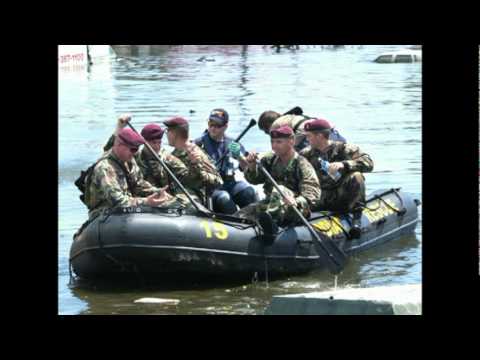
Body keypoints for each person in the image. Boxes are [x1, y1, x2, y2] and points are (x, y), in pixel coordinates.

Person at [236, 125, 320, 236]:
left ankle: (272, 225)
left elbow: (312, 194)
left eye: (279, 142)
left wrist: (297, 201)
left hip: (295, 207)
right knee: (242, 214)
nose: (274, 146)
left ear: (291, 141)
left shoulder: (301, 164)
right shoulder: (270, 159)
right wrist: (251, 166)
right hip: (273, 203)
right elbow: (255, 180)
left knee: (280, 189)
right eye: (272, 142)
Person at [300, 118, 374, 238]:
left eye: (309, 136)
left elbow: (369, 164)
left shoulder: (344, 149)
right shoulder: (306, 154)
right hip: (319, 197)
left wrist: (345, 164)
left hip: (341, 196)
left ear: (319, 136)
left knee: (356, 176)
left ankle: (356, 220)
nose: (307, 139)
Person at [84, 128, 176, 219]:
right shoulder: (105, 168)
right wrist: (146, 202)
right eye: (132, 149)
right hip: (104, 214)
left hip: (126, 210)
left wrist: (157, 192)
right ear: (119, 145)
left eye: (136, 149)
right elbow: (118, 202)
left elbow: (138, 184)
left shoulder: (129, 161)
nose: (135, 153)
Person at [103, 115, 189, 196]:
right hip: (141, 200)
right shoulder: (135, 156)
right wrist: (119, 127)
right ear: (144, 142)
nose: (156, 146)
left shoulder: (168, 159)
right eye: (153, 143)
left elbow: (187, 177)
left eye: (159, 142)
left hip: (163, 199)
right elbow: (111, 152)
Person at [194, 108, 257, 214]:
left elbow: (246, 168)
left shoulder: (233, 143)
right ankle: (236, 223)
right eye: (211, 124)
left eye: (217, 126)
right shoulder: (198, 143)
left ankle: (256, 220)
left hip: (229, 183)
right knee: (224, 198)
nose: (213, 128)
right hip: (211, 188)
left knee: (248, 191)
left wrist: (240, 157)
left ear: (225, 126)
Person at [163, 116, 223, 206]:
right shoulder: (174, 154)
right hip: (176, 193)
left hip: (193, 198)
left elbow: (218, 181)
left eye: (168, 131)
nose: (166, 134)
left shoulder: (196, 153)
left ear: (174, 133)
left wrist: (196, 166)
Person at [257, 109, 346, 151]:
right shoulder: (293, 117)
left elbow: (277, 150)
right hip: (333, 133)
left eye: (266, 131)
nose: (268, 134)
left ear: (268, 125)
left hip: (310, 139)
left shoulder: (275, 125)